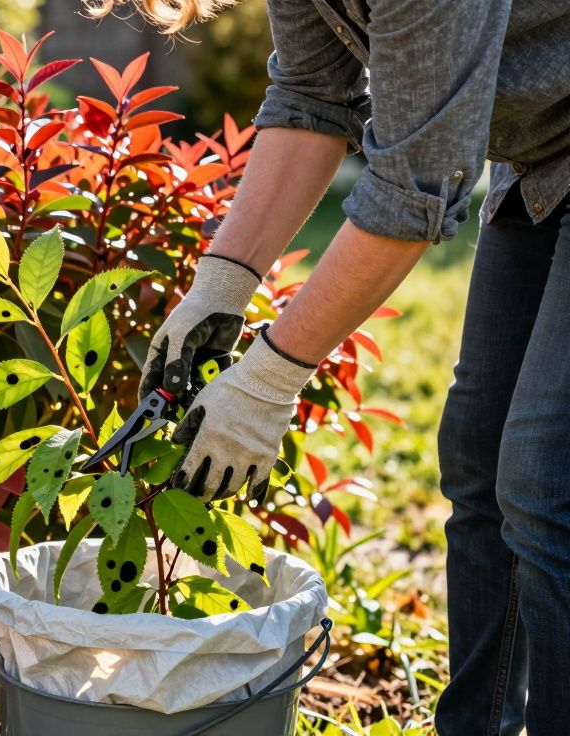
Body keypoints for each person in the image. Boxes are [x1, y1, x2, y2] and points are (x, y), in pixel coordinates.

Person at [88, 0, 570, 733]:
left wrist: (269, 379)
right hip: (544, 146)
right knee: (478, 456)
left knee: (544, 480)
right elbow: (313, 94)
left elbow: (414, 187)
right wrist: (219, 285)